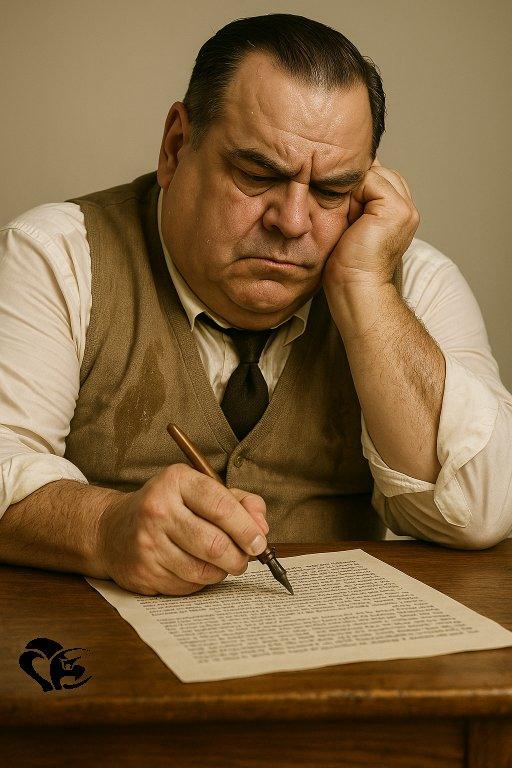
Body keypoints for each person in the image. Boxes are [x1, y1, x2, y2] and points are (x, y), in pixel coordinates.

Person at [0, 14, 511, 597]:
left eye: (331, 190)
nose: (293, 223)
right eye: (256, 174)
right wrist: (106, 528)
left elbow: (479, 514)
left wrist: (366, 290)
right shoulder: (58, 254)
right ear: (175, 146)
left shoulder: (408, 282)